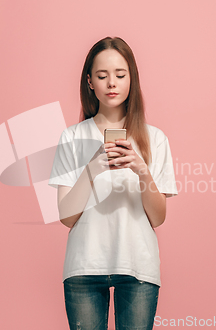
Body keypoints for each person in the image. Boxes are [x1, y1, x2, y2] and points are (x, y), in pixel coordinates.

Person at [48, 36, 178, 330]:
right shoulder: (72, 137)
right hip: (84, 265)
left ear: (132, 78)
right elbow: (67, 216)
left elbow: (158, 217)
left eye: (120, 75)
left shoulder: (154, 138)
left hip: (138, 266)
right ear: (90, 81)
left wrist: (141, 170)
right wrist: (93, 169)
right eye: (102, 76)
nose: (112, 84)